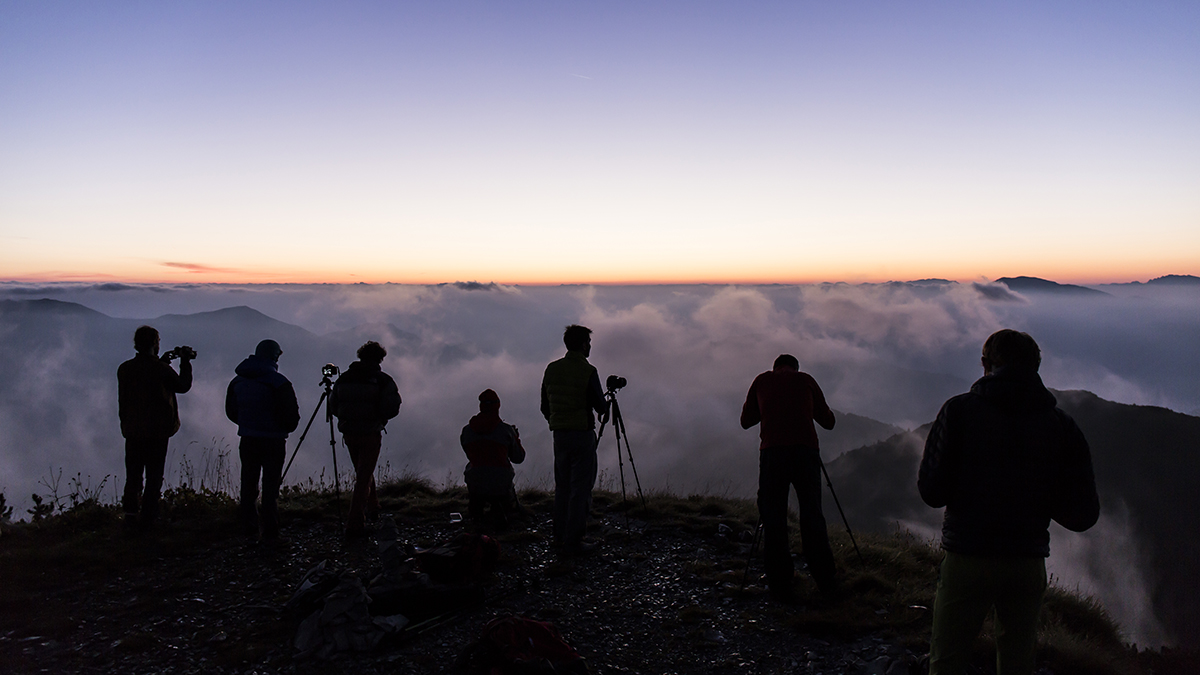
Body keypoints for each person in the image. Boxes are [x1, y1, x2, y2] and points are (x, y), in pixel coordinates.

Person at [918, 329, 1099, 675]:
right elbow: (1083, 515)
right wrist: (1038, 498)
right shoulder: (1062, 426)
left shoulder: (958, 412)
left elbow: (931, 492)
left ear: (986, 364)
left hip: (967, 556)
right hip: (1026, 561)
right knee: (1017, 660)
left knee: (948, 656)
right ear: (1036, 367)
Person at [740, 353, 837, 602]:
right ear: (795, 368)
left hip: (773, 453)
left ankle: (780, 582)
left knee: (773, 515)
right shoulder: (806, 380)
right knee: (812, 514)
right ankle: (825, 579)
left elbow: (746, 421)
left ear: (775, 368)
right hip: (805, 452)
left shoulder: (762, 381)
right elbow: (828, 422)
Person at [541, 324, 608, 555]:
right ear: (582, 344)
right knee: (580, 489)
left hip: (559, 435)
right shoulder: (588, 371)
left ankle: (559, 536)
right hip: (582, 434)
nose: (589, 347)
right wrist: (607, 405)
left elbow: (544, 406)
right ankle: (575, 541)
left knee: (563, 487)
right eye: (588, 343)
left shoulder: (552, 369)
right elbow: (600, 406)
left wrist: (559, 420)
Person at [117, 325, 193, 529]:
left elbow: (143, 380)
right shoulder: (161, 370)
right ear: (154, 343)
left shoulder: (125, 368)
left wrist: (161, 363)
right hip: (157, 431)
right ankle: (149, 516)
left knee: (133, 475)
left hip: (132, 430)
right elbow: (182, 386)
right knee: (153, 475)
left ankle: (130, 515)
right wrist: (185, 362)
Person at [226, 339, 300, 544]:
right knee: (270, 487)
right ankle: (270, 532)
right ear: (274, 356)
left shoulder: (237, 381)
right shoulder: (279, 383)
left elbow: (231, 411)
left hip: (248, 438)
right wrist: (279, 428)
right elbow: (291, 419)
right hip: (273, 442)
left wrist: (247, 424)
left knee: (248, 484)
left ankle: (249, 527)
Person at [330, 340, 402, 536]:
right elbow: (393, 407)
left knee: (362, 471)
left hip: (349, 432)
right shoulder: (382, 380)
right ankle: (354, 523)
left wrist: (346, 418)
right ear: (379, 358)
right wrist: (380, 417)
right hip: (370, 432)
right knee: (363, 476)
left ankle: (373, 507)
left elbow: (333, 405)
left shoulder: (343, 379)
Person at [460, 389, 527, 527]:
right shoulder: (506, 430)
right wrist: (516, 438)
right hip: (501, 484)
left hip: (476, 482)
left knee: (472, 466)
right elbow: (518, 458)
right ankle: (505, 510)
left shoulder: (467, 431)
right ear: (498, 406)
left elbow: (470, 455)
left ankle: (476, 512)